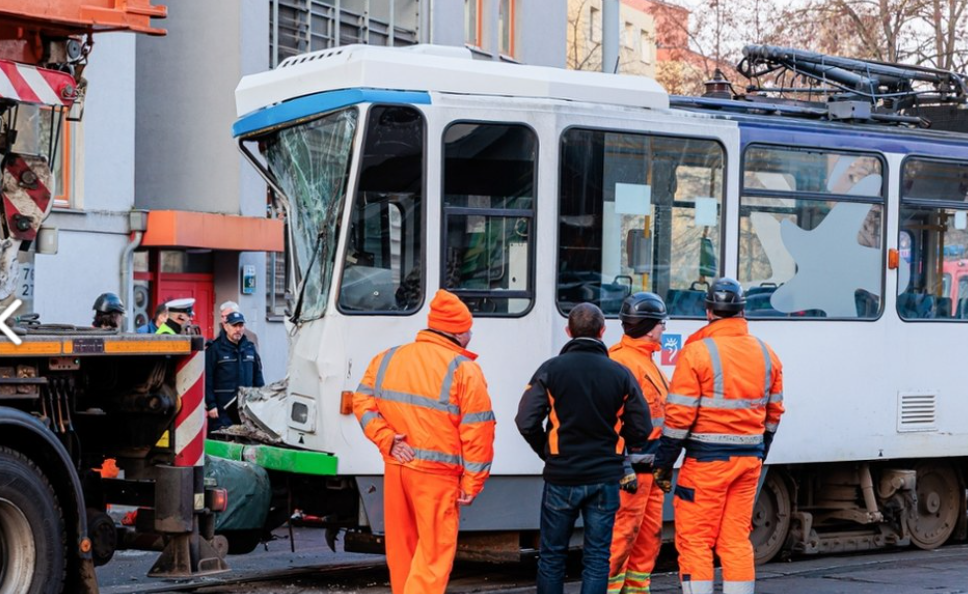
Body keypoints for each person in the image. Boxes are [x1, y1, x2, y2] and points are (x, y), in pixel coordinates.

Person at [352, 289, 495, 594]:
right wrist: (473, 482)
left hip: (397, 468)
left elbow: (361, 403)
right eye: (468, 329)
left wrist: (386, 439)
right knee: (432, 556)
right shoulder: (464, 371)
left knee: (403, 551)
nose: (471, 335)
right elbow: (478, 431)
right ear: (457, 332)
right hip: (436, 476)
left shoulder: (388, 358)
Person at [652, 278, 784, 594]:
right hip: (749, 461)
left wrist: (663, 461)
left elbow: (679, 417)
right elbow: (774, 412)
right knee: (735, 539)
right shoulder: (767, 354)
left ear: (709, 311)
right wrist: (760, 449)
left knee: (696, 539)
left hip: (706, 462)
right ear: (741, 312)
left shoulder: (697, 353)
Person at [516, 303, 653, 594]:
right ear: (603, 332)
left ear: (568, 332)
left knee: (552, 556)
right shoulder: (620, 374)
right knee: (597, 557)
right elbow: (641, 428)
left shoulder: (550, 370)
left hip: (561, 476)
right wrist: (618, 451)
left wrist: (548, 452)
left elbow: (526, 421)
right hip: (604, 478)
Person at [606, 292, 670, 594]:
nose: (664, 329)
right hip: (631, 473)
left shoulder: (642, 360)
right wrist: (622, 466)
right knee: (621, 538)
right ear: (648, 326)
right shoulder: (624, 362)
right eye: (661, 324)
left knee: (646, 541)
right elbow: (609, 423)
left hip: (649, 471)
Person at [205, 311, 265, 432]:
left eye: (241, 326)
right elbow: (207, 378)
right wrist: (211, 404)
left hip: (246, 409)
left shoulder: (249, 348)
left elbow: (258, 376)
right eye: (234, 326)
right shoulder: (215, 349)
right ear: (226, 327)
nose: (238, 329)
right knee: (221, 443)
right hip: (222, 409)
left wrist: (262, 401)